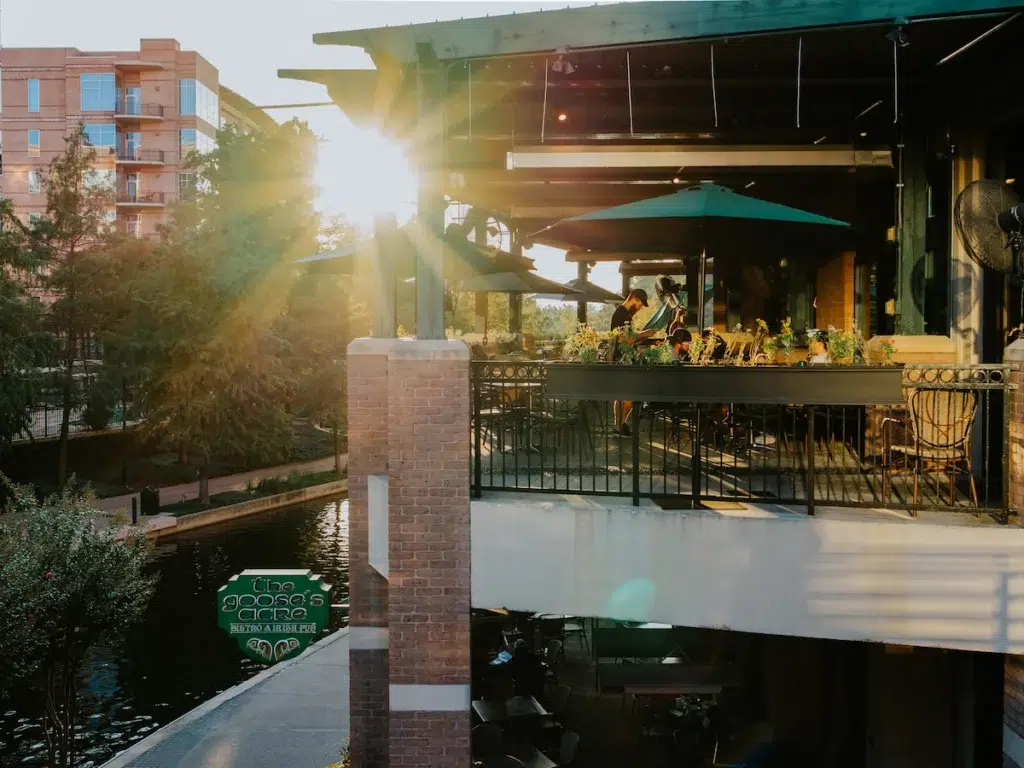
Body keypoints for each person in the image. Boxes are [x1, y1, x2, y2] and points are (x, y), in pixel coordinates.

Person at [610, 289, 653, 435]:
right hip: (622, 359)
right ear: (634, 299)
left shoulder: (626, 314)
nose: (641, 307)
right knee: (625, 394)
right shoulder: (620, 314)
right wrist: (644, 334)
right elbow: (622, 338)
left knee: (625, 394)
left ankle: (621, 425)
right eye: (640, 303)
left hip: (626, 358)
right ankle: (619, 425)